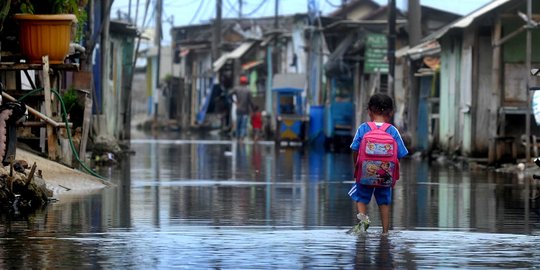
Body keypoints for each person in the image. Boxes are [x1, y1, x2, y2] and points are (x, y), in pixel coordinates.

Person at [348, 93, 408, 234]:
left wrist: (357, 166)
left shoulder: (363, 128)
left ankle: (363, 221)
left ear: (369, 111)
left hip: (364, 172)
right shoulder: (393, 131)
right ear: (391, 112)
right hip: (385, 175)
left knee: (360, 197)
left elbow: (355, 149)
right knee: (384, 202)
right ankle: (385, 232)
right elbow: (401, 153)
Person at [231, 75, 253, 140]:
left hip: (239, 110)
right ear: (246, 82)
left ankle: (238, 138)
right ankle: (241, 138)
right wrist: (253, 109)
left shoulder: (236, 89)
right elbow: (250, 101)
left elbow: (229, 94)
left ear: (240, 82)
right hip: (245, 111)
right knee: (243, 126)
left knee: (238, 125)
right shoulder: (248, 91)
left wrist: (234, 101)